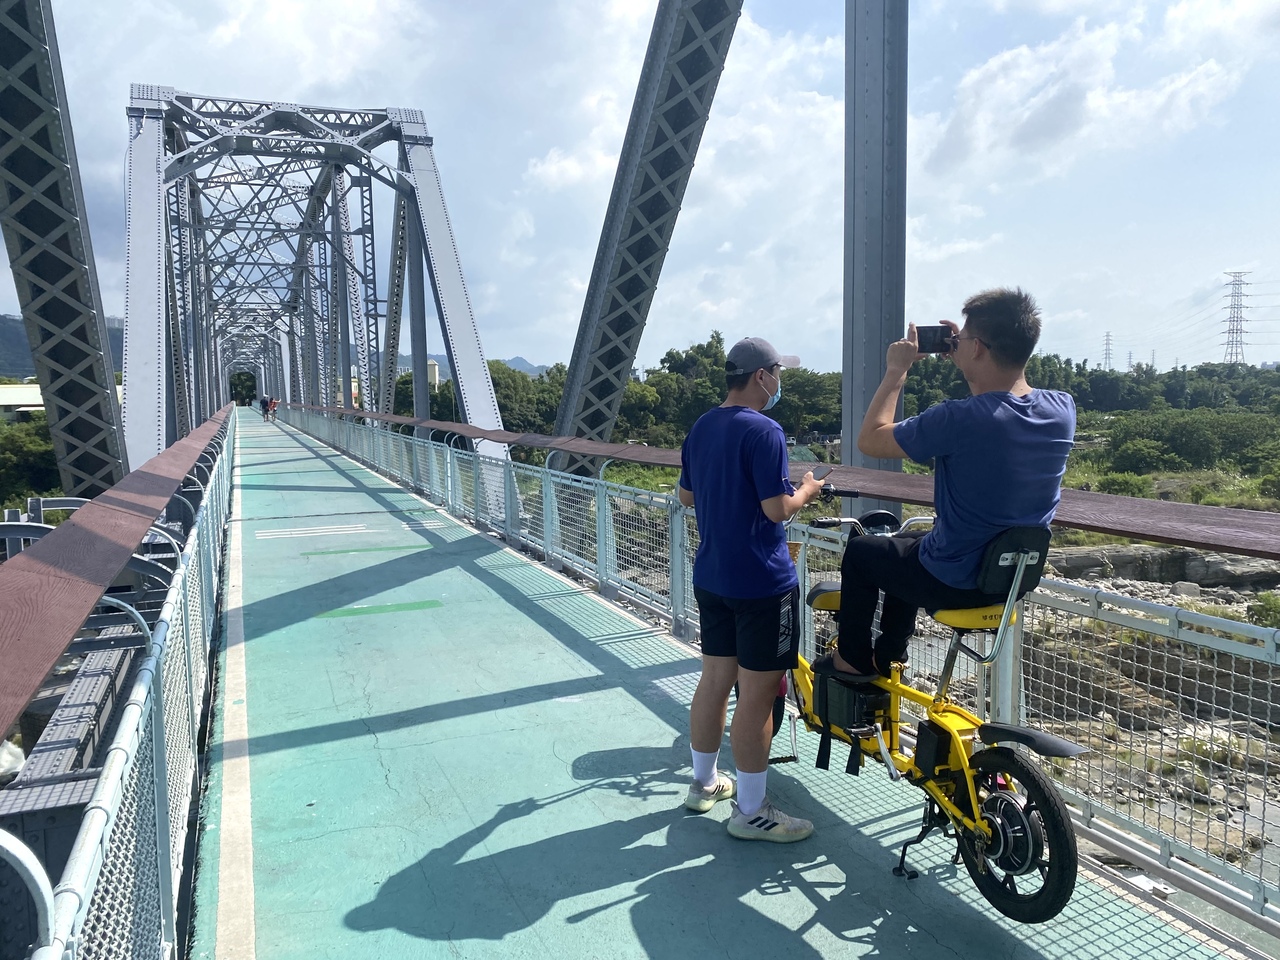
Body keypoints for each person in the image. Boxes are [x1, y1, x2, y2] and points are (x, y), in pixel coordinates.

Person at [821, 287, 1076, 678]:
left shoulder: (956, 419)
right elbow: (1000, 403)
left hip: (954, 580)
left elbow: (870, 440)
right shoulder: (1061, 409)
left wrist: (896, 371)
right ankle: (888, 655)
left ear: (978, 348)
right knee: (904, 542)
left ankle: (853, 659)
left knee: (860, 552)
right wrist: (970, 354)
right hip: (1011, 580)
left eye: (966, 339)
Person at [678, 337, 824, 843]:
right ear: (762, 375)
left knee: (715, 680)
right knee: (758, 696)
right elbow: (776, 509)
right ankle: (751, 811)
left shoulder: (702, 426)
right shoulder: (765, 430)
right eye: (777, 373)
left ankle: (703, 784)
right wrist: (807, 490)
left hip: (713, 576)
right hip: (762, 583)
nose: (779, 382)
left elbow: (686, 495)